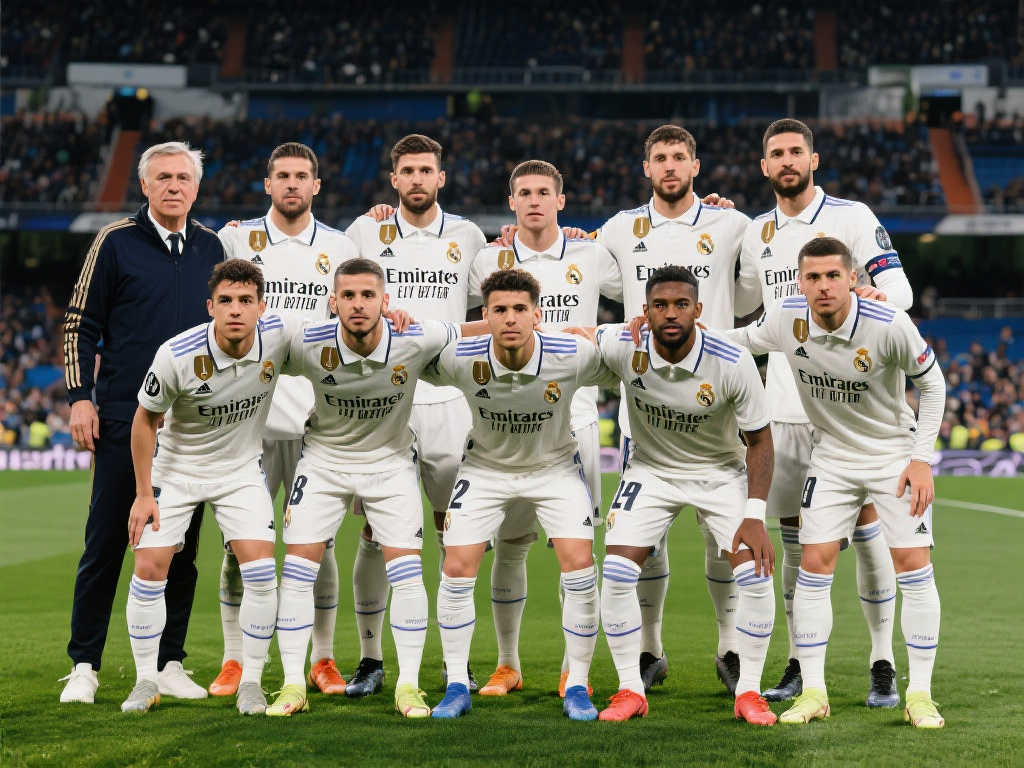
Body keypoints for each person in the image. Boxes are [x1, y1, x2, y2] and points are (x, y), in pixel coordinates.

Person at [727, 237, 945, 729]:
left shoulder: (888, 323)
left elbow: (933, 385)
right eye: (813, 277)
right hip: (831, 458)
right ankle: (814, 692)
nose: (823, 286)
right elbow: (739, 340)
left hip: (892, 456)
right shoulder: (786, 318)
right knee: (813, 565)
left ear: (853, 279)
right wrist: (672, 329)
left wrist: (921, 459)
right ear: (799, 282)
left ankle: (920, 694)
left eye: (832, 276)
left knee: (913, 567)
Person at [734, 119, 915, 706]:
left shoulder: (853, 217)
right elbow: (743, 306)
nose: (787, 161)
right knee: (796, 541)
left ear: (813, 160)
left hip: (852, 410)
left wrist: (872, 301)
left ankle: (882, 661)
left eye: (796, 152)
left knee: (867, 533)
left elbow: (901, 290)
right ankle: (799, 660)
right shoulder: (756, 233)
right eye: (776, 153)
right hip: (786, 406)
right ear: (765, 166)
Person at [265, 257, 487, 718]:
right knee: (299, 571)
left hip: (390, 465)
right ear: (333, 302)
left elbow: (477, 329)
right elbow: (249, 344)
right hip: (324, 463)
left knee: (406, 572)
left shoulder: (413, 337)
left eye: (368, 295)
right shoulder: (307, 341)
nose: (358, 304)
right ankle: (291, 685)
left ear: (385, 302)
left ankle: (408, 686)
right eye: (348, 295)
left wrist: (536, 324)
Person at [60, 141, 224, 704]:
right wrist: (80, 398)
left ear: (196, 188)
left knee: (180, 549)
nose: (174, 186)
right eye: (163, 177)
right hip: (123, 418)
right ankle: (84, 665)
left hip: (193, 426)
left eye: (183, 178)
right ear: (145, 185)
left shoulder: (212, 247)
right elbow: (79, 325)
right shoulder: (115, 241)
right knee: (106, 542)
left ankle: (169, 662)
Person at [581, 265, 776, 724]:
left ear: (698, 310)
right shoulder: (625, 344)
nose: (671, 313)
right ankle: (631, 689)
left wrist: (755, 514)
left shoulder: (731, 360)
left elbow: (760, 442)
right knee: (616, 571)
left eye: (681, 305)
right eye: (660, 305)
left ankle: (749, 691)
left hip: (720, 472)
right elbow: (572, 337)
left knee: (755, 574)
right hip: (652, 471)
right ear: (645, 311)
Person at [596, 125, 752, 693]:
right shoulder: (619, 228)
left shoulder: (732, 225)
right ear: (646, 168)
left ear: (695, 165)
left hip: (719, 406)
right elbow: (573, 266)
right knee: (647, 538)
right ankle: (649, 648)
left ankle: (730, 648)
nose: (669, 166)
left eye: (678, 157)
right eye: (659, 157)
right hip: (647, 409)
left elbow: (759, 288)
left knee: (723, 540)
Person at [425, 268, 611, 722]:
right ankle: (456, 684)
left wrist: (612, 331)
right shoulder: (460, 357)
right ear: (485, 317)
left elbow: (627, 361)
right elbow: (405, 356)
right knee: (456, 565)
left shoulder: (569, 354)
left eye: (520, 309)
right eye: (500, 310)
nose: (510, 318)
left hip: (554, 469)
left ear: (537, 315)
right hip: (485, 470)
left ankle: (578, 684)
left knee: (580, 565)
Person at [466, 159, 621, 698]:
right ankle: (507, 663)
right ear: (511, 202)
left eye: (543, 192)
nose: (534, 200)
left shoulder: (591, 254)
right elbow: (465, 324)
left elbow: (640, 294)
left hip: (575, 416)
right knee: (510, 546)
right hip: (504, 416)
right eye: (524, 192)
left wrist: (602, 331)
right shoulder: (488, 258)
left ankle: (572, 668)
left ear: (561, 200)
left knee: (575, 551)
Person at [211, 142, 358, 698]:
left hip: (317, 420)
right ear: (267, 184)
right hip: (246, 421)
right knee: (237, 546)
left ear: (316, 186)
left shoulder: (340, 247)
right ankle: (233, 658)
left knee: (318, 547)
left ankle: (323, 658)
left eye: (301, 176)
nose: (292, 184)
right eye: (282, 176)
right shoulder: (235, 240)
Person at [345, 134, 486, 695]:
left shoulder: (468, 236)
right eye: (408, 171)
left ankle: (458, 662)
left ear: (441, 177)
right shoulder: (366, 231)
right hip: (384, 401)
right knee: (376, 532)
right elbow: (340, 299)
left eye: (427, 170)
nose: (418, 179)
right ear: (394, 179)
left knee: (458, 533)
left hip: (450, 400)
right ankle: (371, 659)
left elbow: (500, 294)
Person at [121, 259, 290, 715]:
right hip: (177, 471)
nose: (236, 309)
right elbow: (144, 421)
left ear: (262, 307)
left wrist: (392, 318)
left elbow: (339, 336)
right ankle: (145, 679)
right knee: (150, 567)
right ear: (210, 306)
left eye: (246, 301)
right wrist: (143, 494)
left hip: (240, 471)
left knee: (260, 569)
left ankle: (251, 682)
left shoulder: (280, 336)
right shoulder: (176, 354)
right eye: (226, 300)